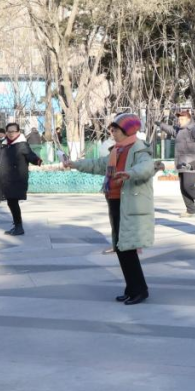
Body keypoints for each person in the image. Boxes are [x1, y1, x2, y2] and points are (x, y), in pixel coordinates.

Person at [63, 113, 153, 304]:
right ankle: (131, 288)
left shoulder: (139, 149)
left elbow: (146, 168)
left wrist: (130, 173)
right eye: (111, 129)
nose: (112, 132)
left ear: (127, 130)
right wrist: (75, 164)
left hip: (130, 202)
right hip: (114, 200)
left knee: (127, 248)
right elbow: (98, 164)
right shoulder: (116, 150)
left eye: (115, 129)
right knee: (121, 247)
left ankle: (140, 290)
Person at [0, 123, 42, 236]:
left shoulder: (22, 145)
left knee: (13, 202)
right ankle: (17, 225)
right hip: (7, 179)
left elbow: (30, 155)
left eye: (13, 131)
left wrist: (37, 160)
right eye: (9, 131)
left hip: (17, 179)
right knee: (11, 202)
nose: (11, 134)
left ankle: (19, 227)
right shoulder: (4, 145)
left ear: (18, 132)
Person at [157, 109, 195, 218]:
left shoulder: (193, 129)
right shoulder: (179, 130)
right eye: (179, 119)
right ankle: (191, 210)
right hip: (181, 163)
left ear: (189, 119)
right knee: (183, 187)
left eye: (182, 119)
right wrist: (160, 124)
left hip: (192, 162)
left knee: (188, 186)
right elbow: (170, 129)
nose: (180, 121)